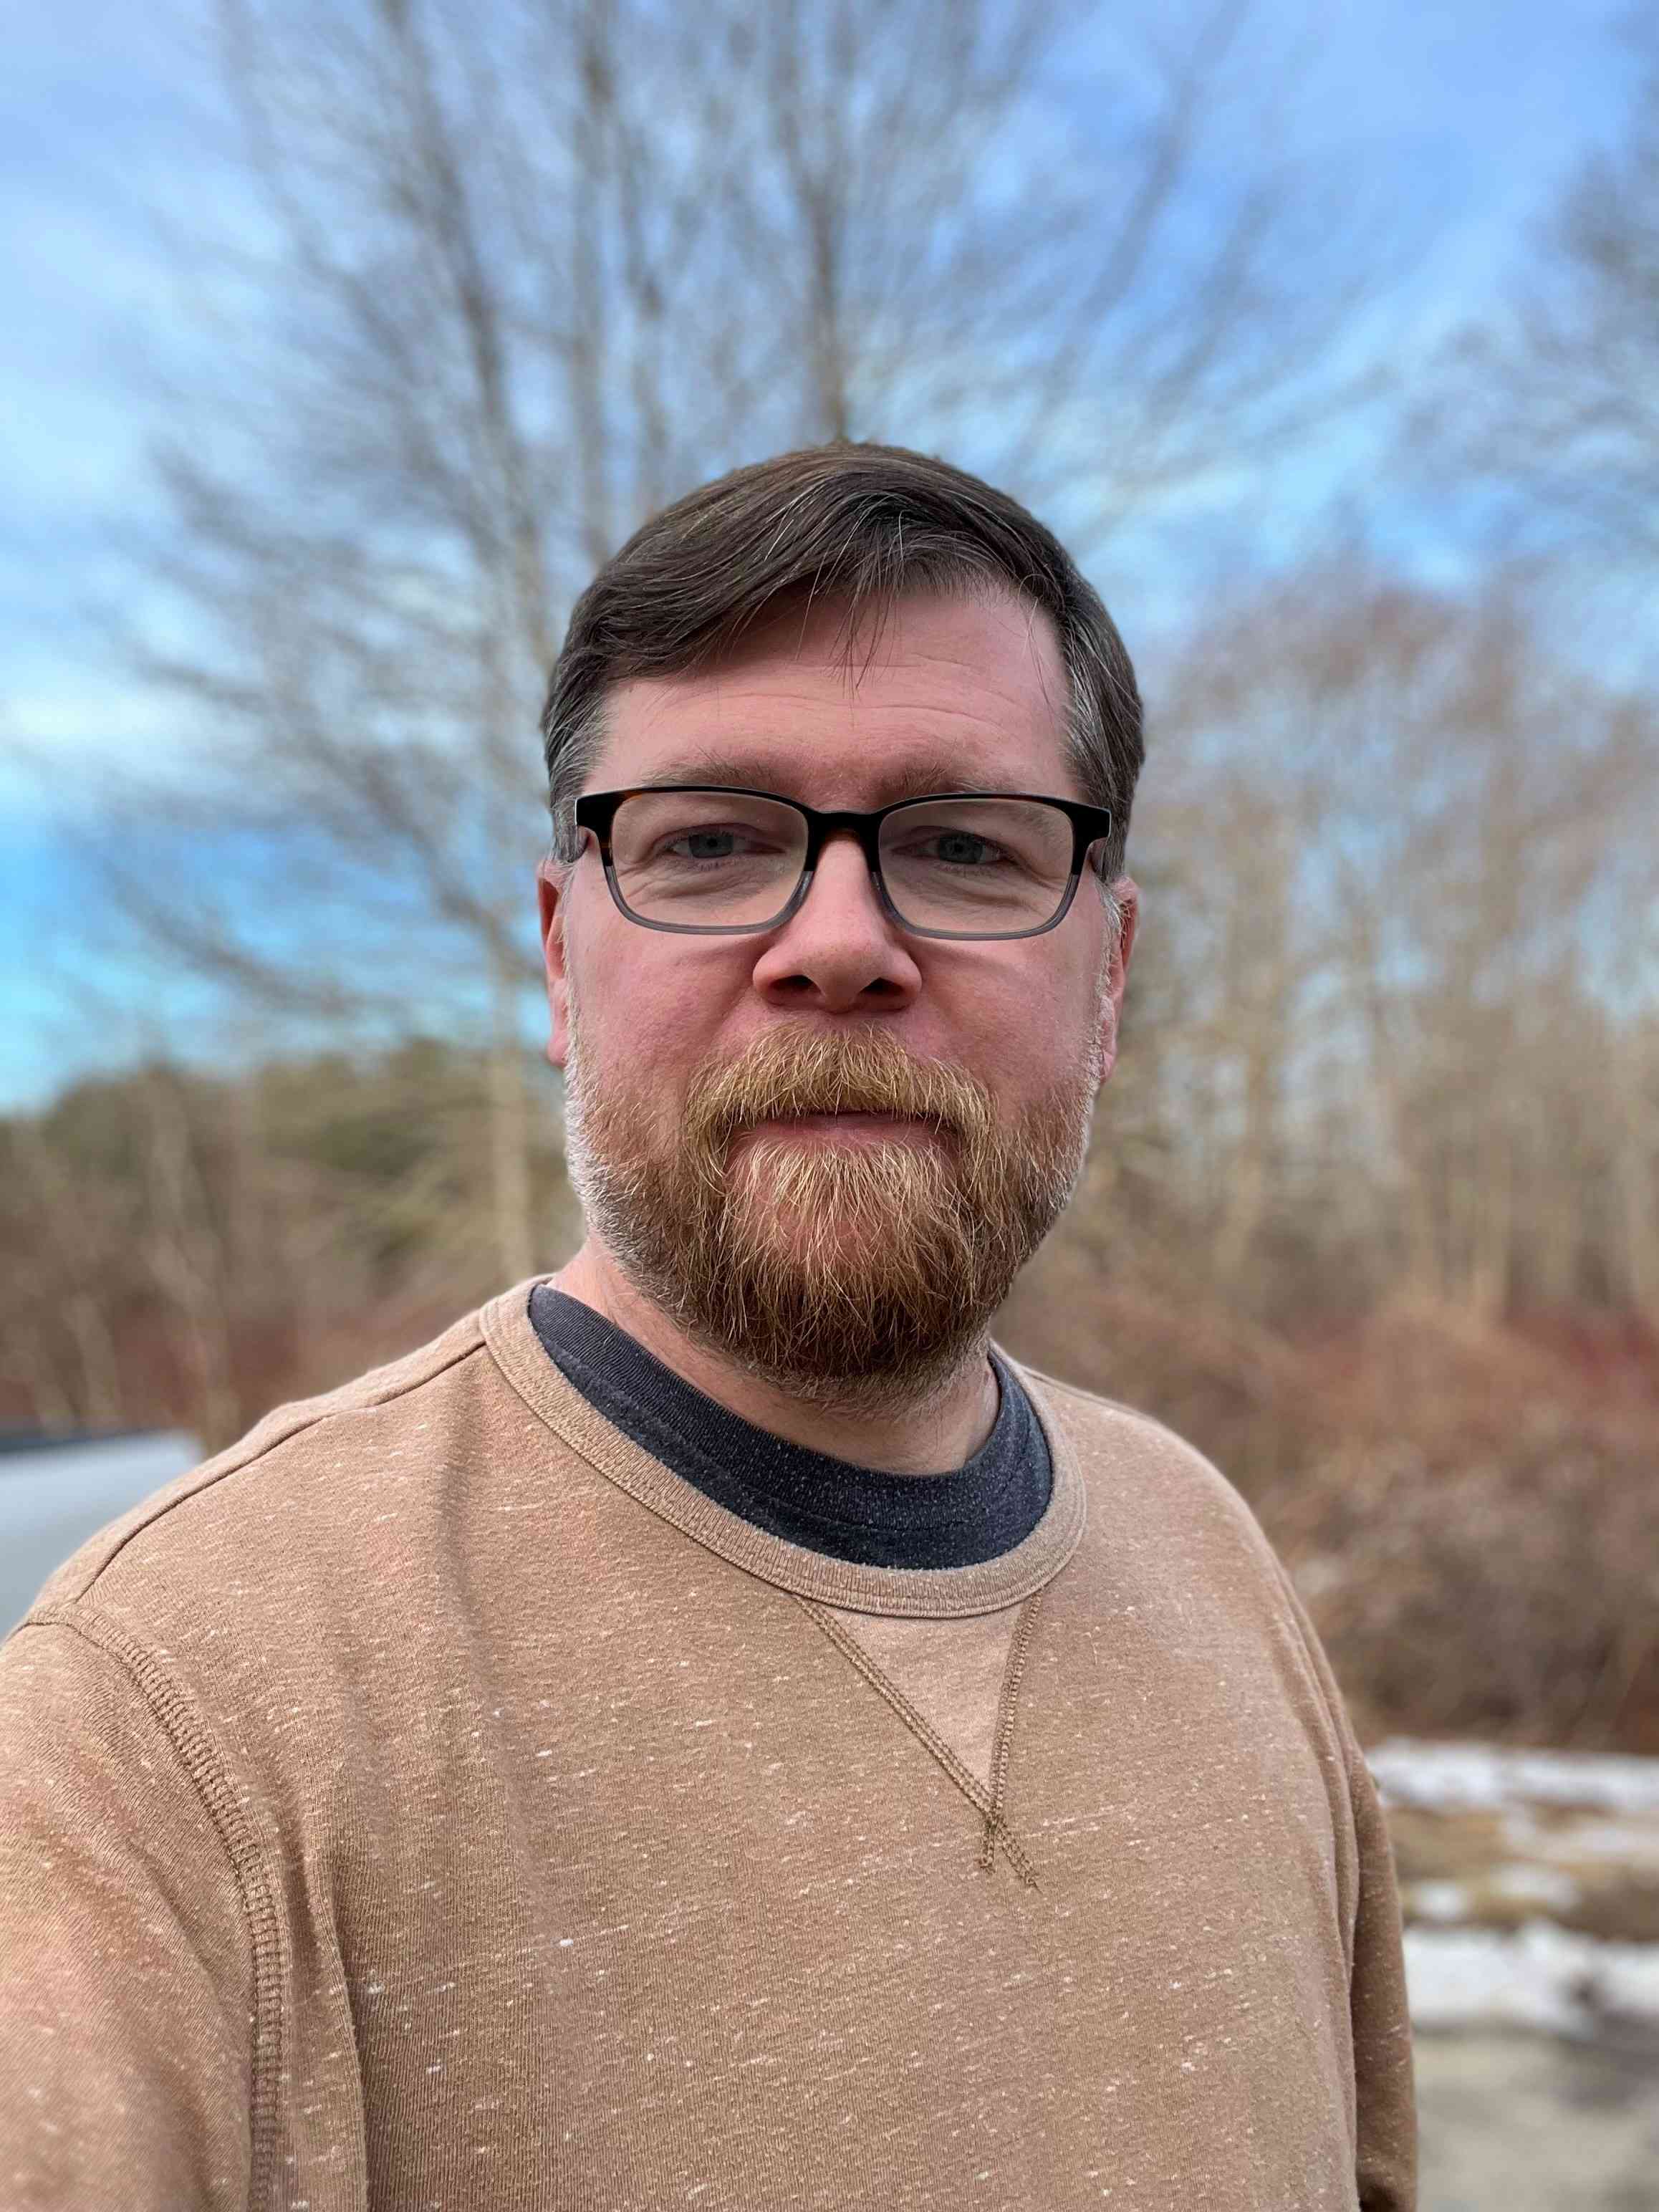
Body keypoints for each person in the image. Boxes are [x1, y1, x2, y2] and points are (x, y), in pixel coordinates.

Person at [0, 443, 1416, 2209]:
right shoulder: (170, 1715)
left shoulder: (1211, 1549)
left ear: (1108, 976)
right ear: (557, 956)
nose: (840, 942)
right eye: (712, 842)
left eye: (965, 845)